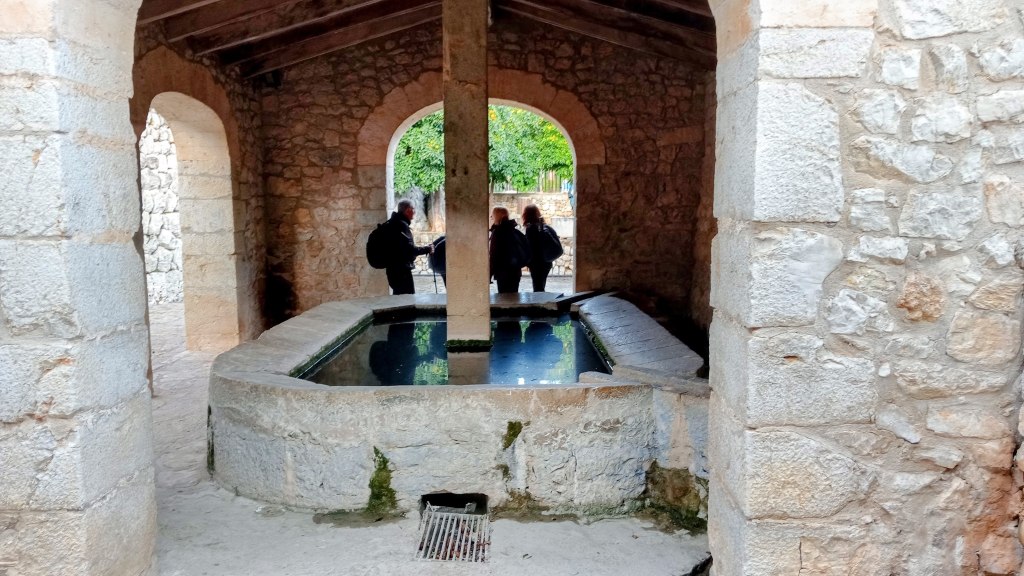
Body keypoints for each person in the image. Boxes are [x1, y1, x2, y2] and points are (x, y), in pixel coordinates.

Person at [385, 199, 433, 295]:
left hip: (392, 270)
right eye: (413, 209)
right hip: (402, 272)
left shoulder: (392, 223)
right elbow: (410, 250)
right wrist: (428, 249)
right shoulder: (401, 226)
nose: (414, 212)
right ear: (407, 210)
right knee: (407, 300)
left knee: (398, 298)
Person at [489, 206, 528, 293]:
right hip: (515, 271)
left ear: (497, 216)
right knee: (514, 296)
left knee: (504, 298)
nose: (491, 217)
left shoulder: (497, 232)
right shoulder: (514, 230)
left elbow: (494, 255)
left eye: (492, 215)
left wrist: (489, 274)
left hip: (502, 272)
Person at [522, 204, 554, 292]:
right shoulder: (543, 226)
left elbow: (531, 248)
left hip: (537, 263)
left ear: (526, 215)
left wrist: (527, 262)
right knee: (540, 287)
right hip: (546, 261)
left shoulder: (531, 228)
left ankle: (541, 301)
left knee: (538, 289)